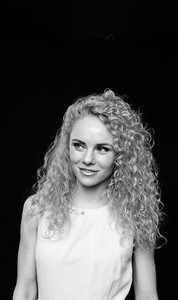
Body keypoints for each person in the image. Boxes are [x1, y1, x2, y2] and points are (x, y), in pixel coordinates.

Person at [12, 89, 166, 300]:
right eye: (79, 145)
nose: (87, 159)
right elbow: (26, 288)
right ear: (67, 147)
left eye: (102, 149)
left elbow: (147, 295)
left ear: (122, 155)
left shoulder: (135, 214)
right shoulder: (37, 208)